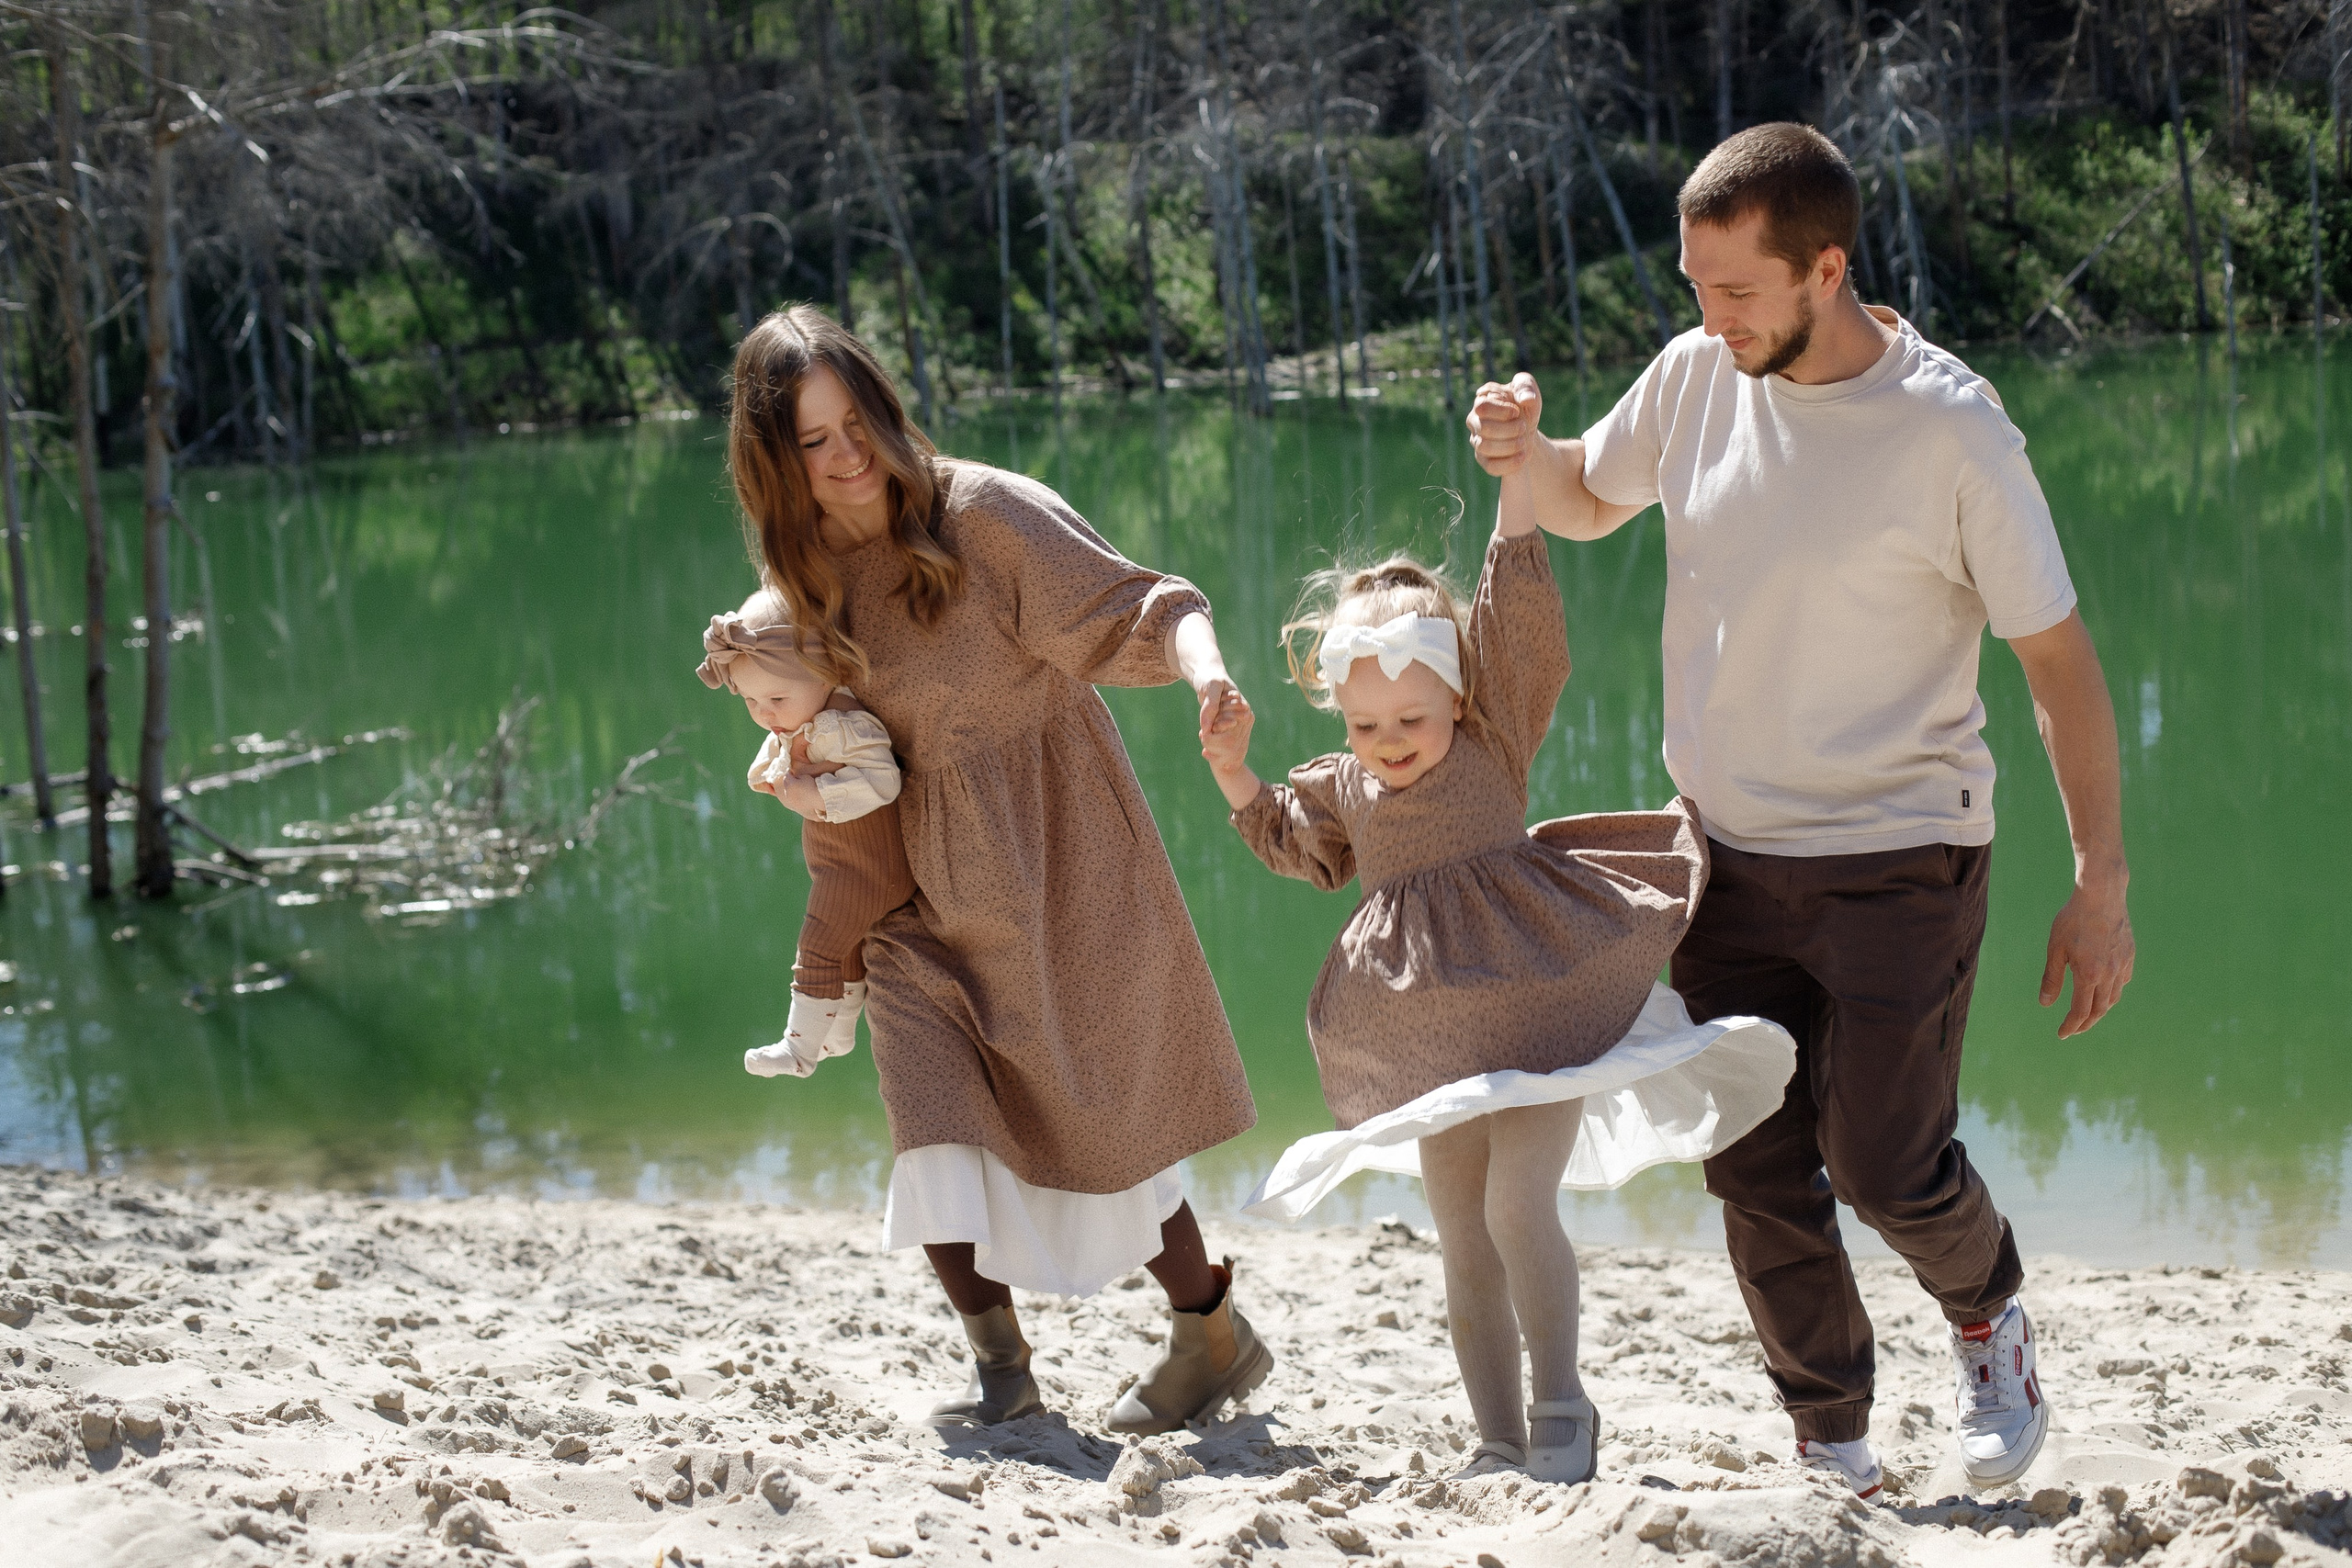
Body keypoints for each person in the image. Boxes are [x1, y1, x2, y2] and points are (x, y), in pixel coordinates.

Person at [1465, 122, 2136, 1496]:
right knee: (1759, 1167)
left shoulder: (1954, 431)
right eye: (1697, 287)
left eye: (1738, 291)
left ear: (1826, 270)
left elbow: (2058, 660)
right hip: (1723, 856)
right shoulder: (1699, 373)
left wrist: (2101, 876)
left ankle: (1988, 1313)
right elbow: (1589, 496)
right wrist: (1524, 454)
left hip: (1905, 854)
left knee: (1886, 1160)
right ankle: (1833, 1435)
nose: (1710, 319)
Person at [726, 303, 1269, 1436]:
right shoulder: (801, 582)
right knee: (929, 1118)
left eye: (853, 421)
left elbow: (1146, 606)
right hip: (913, 883)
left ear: (881, 405)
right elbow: (786, 706)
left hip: (1056, 854)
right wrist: (783, 753)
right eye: (811, 442)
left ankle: (1208, 1328)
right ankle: (1004, 1372)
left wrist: (1208, 678)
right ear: (776, 462)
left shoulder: (984, 513)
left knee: (1099, 1109)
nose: (845, 455)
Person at [1197, 523, 1795, 1483]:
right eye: (1365, 726)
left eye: (1410, 720)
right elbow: (1285, 835)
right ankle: (1495, 1436)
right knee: (1462, 1232)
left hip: (1540, 1013)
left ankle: (1561, 1400)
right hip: (1432, 1047)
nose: (1389, 744)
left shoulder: (1492, 737)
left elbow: (1519, 623)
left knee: (1518, 1207)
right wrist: (1233, 766)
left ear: (1458, 697)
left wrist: (1517, 490)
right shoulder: (1348, 788)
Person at [694, 591, 914, 1077]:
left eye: (775, 699)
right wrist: (780, 778)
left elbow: (883, 780)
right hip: (843, 867)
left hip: (866, 871)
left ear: (829, 672)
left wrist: (811, 794)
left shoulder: (844, 728)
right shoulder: (803, 717)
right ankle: (836, 1034)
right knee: (847, 946)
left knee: (817, 946)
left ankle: (798, 1051)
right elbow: (772, 761)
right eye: (751, 701)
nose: (766, 714)